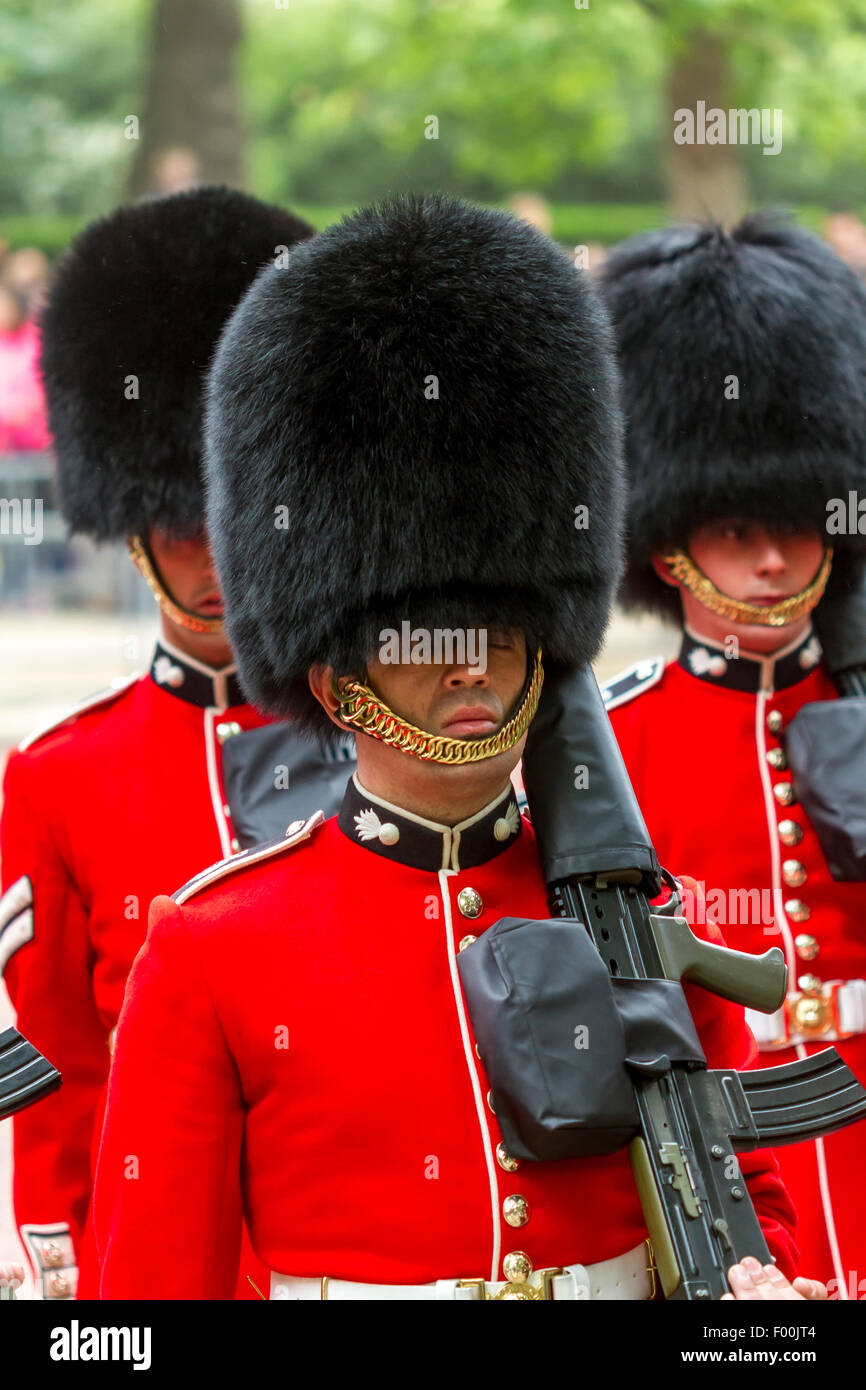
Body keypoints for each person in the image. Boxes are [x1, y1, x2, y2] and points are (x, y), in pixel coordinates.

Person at [92, 194, 810, 1301]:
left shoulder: (631, 913)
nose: (467, 663)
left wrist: (763, 1300)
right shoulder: (212, 948)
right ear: (336, 676)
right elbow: (148, 1293)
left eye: (498, 626)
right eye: (422, 634)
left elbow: (750, 1200)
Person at [0, 186, 322, 1301]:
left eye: (239, 515)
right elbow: (57, 1068)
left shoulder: (386, 736)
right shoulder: (60, 774)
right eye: (186, 524)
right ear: (135, 530)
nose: (216, 556)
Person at [597, 214, 866, 1296]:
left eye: (795, 525)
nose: (768, 559)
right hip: (728, 1159)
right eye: (733, 530)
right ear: (666, 544)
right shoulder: (607, 745)